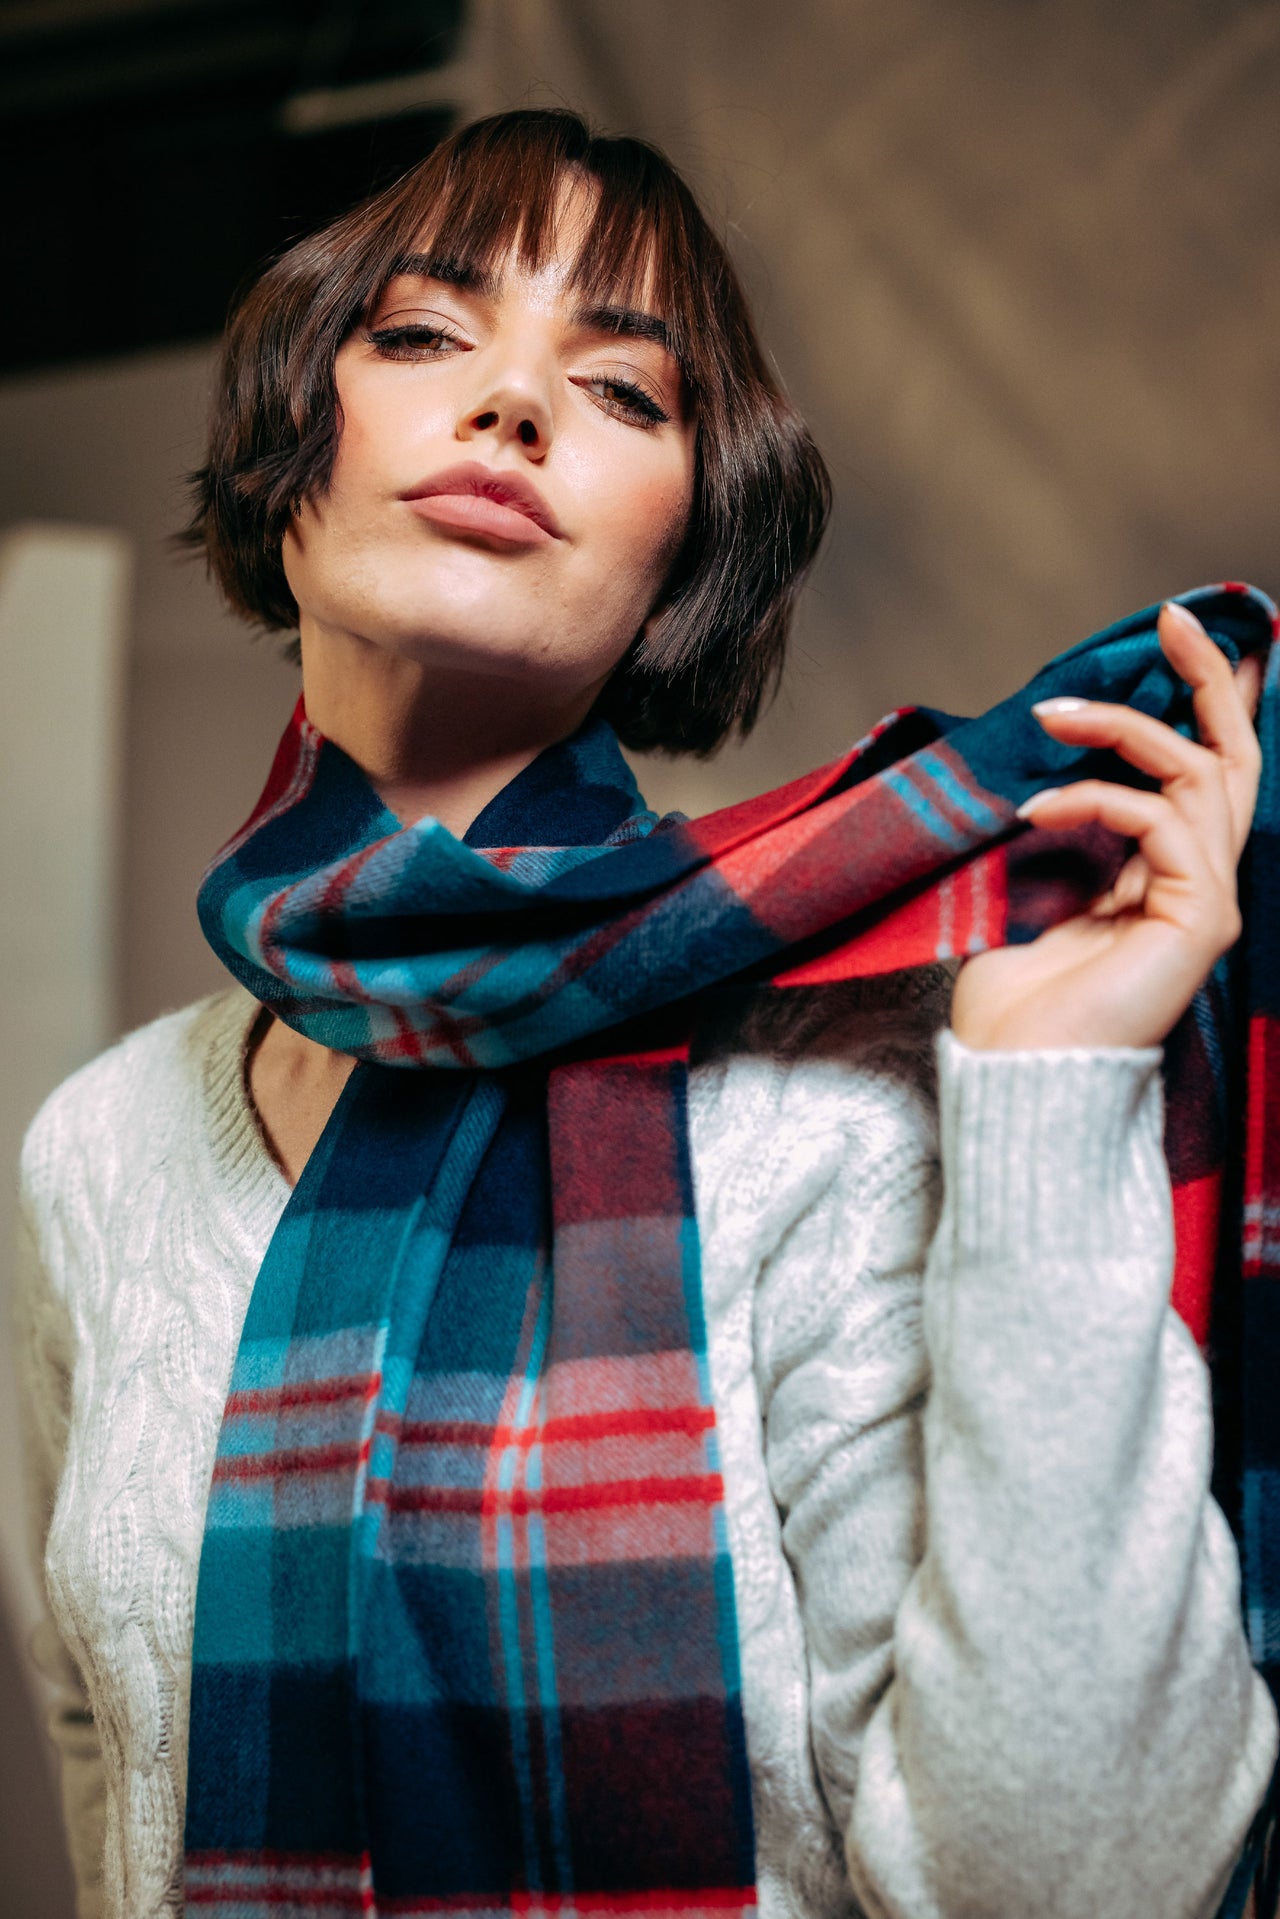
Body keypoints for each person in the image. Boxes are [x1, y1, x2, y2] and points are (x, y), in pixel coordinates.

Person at [13, 107, 1276, 1919]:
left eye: (620, 391)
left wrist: (1052, 1086)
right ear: (289, 459)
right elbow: (110, 1760)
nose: (513, 406)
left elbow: (1082, 1886)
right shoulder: (100, 1149)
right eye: (428, 337)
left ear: (683, 562)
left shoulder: (841, 1106)